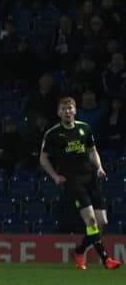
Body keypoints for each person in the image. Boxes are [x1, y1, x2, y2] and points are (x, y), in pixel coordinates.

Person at [40, 96, 121, 270]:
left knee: (102, 222)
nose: (67, 111)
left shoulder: (85, 128)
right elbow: (43, 158)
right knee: (91, 220)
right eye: (63, 109)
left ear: (75, 110)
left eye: (70, 108)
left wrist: (99, 167)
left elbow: (93, 151)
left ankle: (79, 250)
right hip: (72, 181)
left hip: (90, 178)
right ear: (58, 113)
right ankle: (106, 259)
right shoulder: (53, 133)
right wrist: (54, 176)